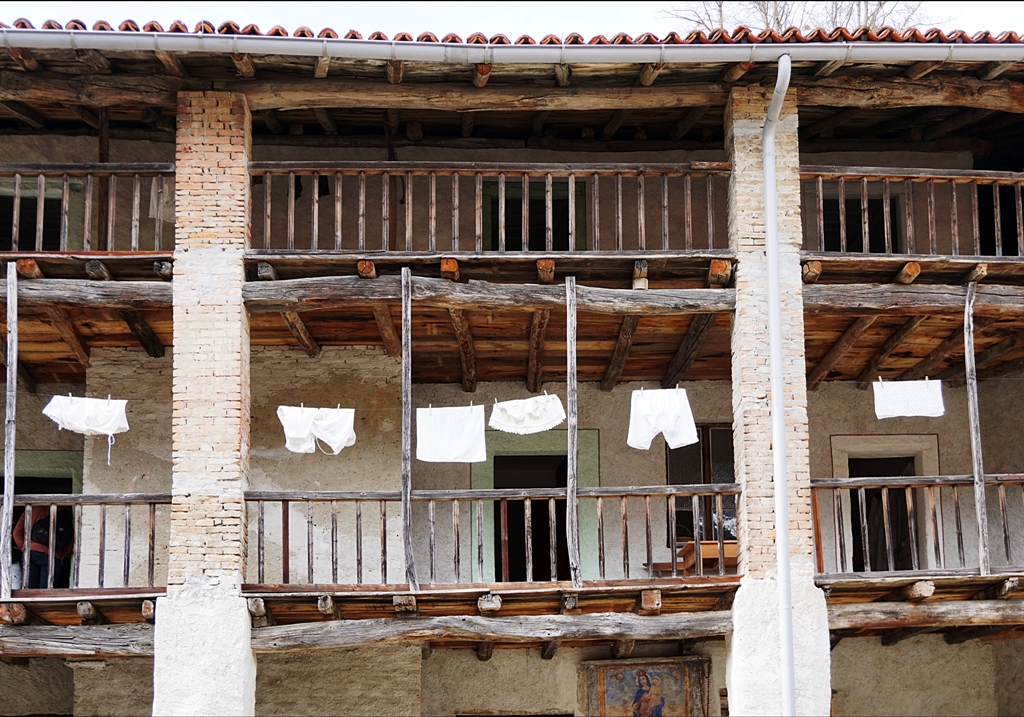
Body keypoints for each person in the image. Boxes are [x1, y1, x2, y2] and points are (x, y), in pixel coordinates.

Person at [12, 505, 74, 589]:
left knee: (29, 589)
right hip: (53, 555)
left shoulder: (31, 509)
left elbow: (17, 532)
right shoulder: (63, 515)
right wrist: (63, 554)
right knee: (47, 590)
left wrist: (25, 548)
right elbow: (69, 539)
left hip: (31, 552)